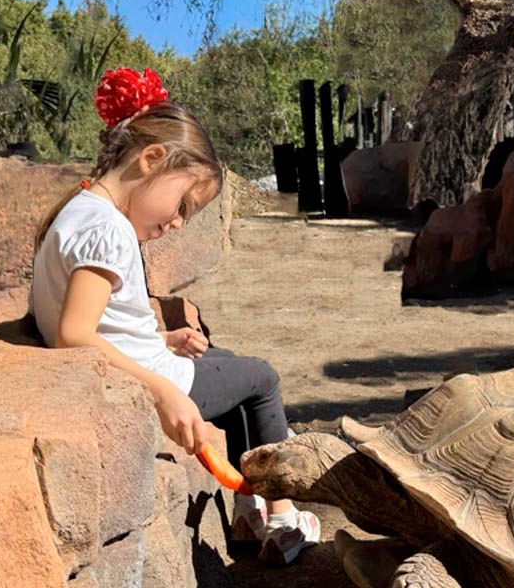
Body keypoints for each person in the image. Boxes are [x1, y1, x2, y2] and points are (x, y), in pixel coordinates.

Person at [29, 67, 319, 564]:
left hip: (151, 364)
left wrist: (164, 340)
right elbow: (72, 335)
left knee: (226, 362)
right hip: (156, 383)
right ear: (152, 158)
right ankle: (282, 517)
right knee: (262, 378)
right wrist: (162, 390)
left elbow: (93, 323)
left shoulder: (74, 210)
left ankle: (248, 508)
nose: (179, 221)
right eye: (183, 202)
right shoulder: (110, 230)